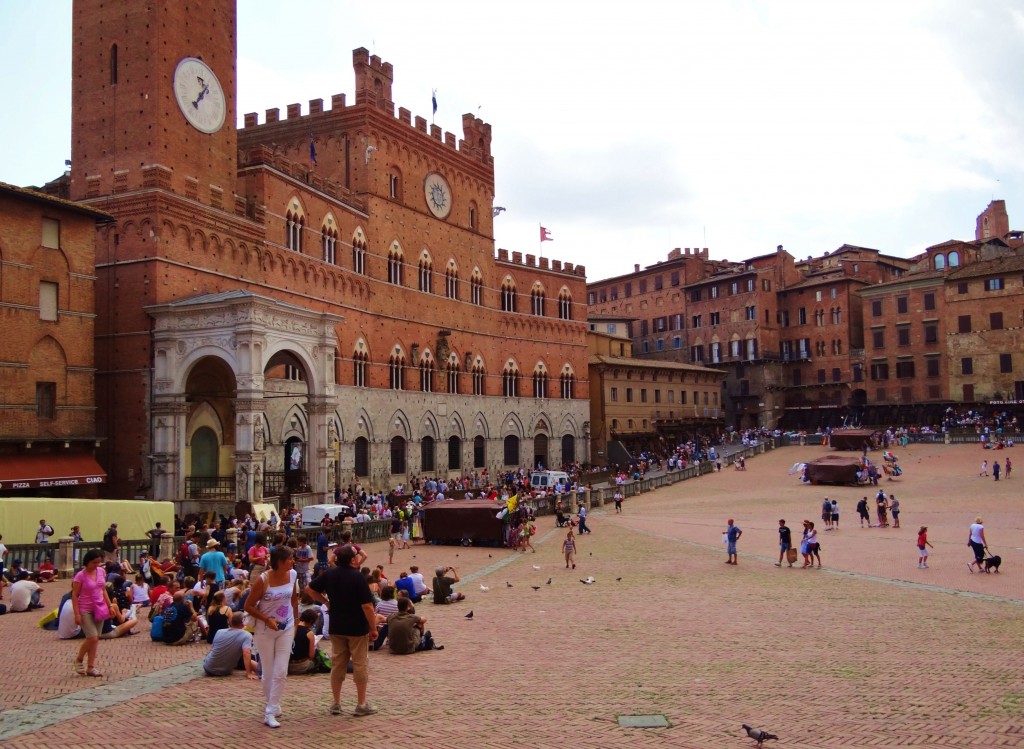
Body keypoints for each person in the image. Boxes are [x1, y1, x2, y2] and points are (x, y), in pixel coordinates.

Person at [306, 544, 378, 718]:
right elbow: (367, 606)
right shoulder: (358, 577)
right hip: (357, 627)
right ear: (353, 560)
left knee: (338, 664)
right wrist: (373, 627)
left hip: (337, 625)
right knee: (360, 664)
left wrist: (326, 602)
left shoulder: (330, 574)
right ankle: (361, 703)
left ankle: (336, 702)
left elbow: (309, 589)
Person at [244, 545, 299, 728]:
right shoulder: (264, 579)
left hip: (286, 626)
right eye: (290, 559)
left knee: (281, 670)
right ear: (280, 562)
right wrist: (266, 619)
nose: (293, 561)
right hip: (264, 630)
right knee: (268, 671)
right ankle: (272, 705)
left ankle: (270, 710)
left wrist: (296, 620)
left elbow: (293, 599)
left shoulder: (293, 575)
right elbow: (248, 605)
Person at [71, 549, 111, 676]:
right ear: (87, 562)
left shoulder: (101, 571)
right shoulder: (80, 576)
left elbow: (103, 589)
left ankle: (91, 666)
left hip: (99, 607)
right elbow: (74, 594)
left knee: (95, 639)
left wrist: (110, 605)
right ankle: (79, 659)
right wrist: (77, 614)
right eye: (94, 562)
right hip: (85, 608)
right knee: (92, 637)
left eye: (98, 562)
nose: (96, 565)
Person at [203, 612, 259, 679]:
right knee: (250, 657)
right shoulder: (246, 635)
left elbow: (214, 648)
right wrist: (249, 673)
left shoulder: (219, 631)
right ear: (243, 622)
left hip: (208, 668)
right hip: (224, 670)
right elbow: (246, 653)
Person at [288, 608, 319, 675]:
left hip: (288, 665)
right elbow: (311, 655)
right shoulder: (309, 633)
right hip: (302, 666)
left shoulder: (291, 628)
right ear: (311, 621)